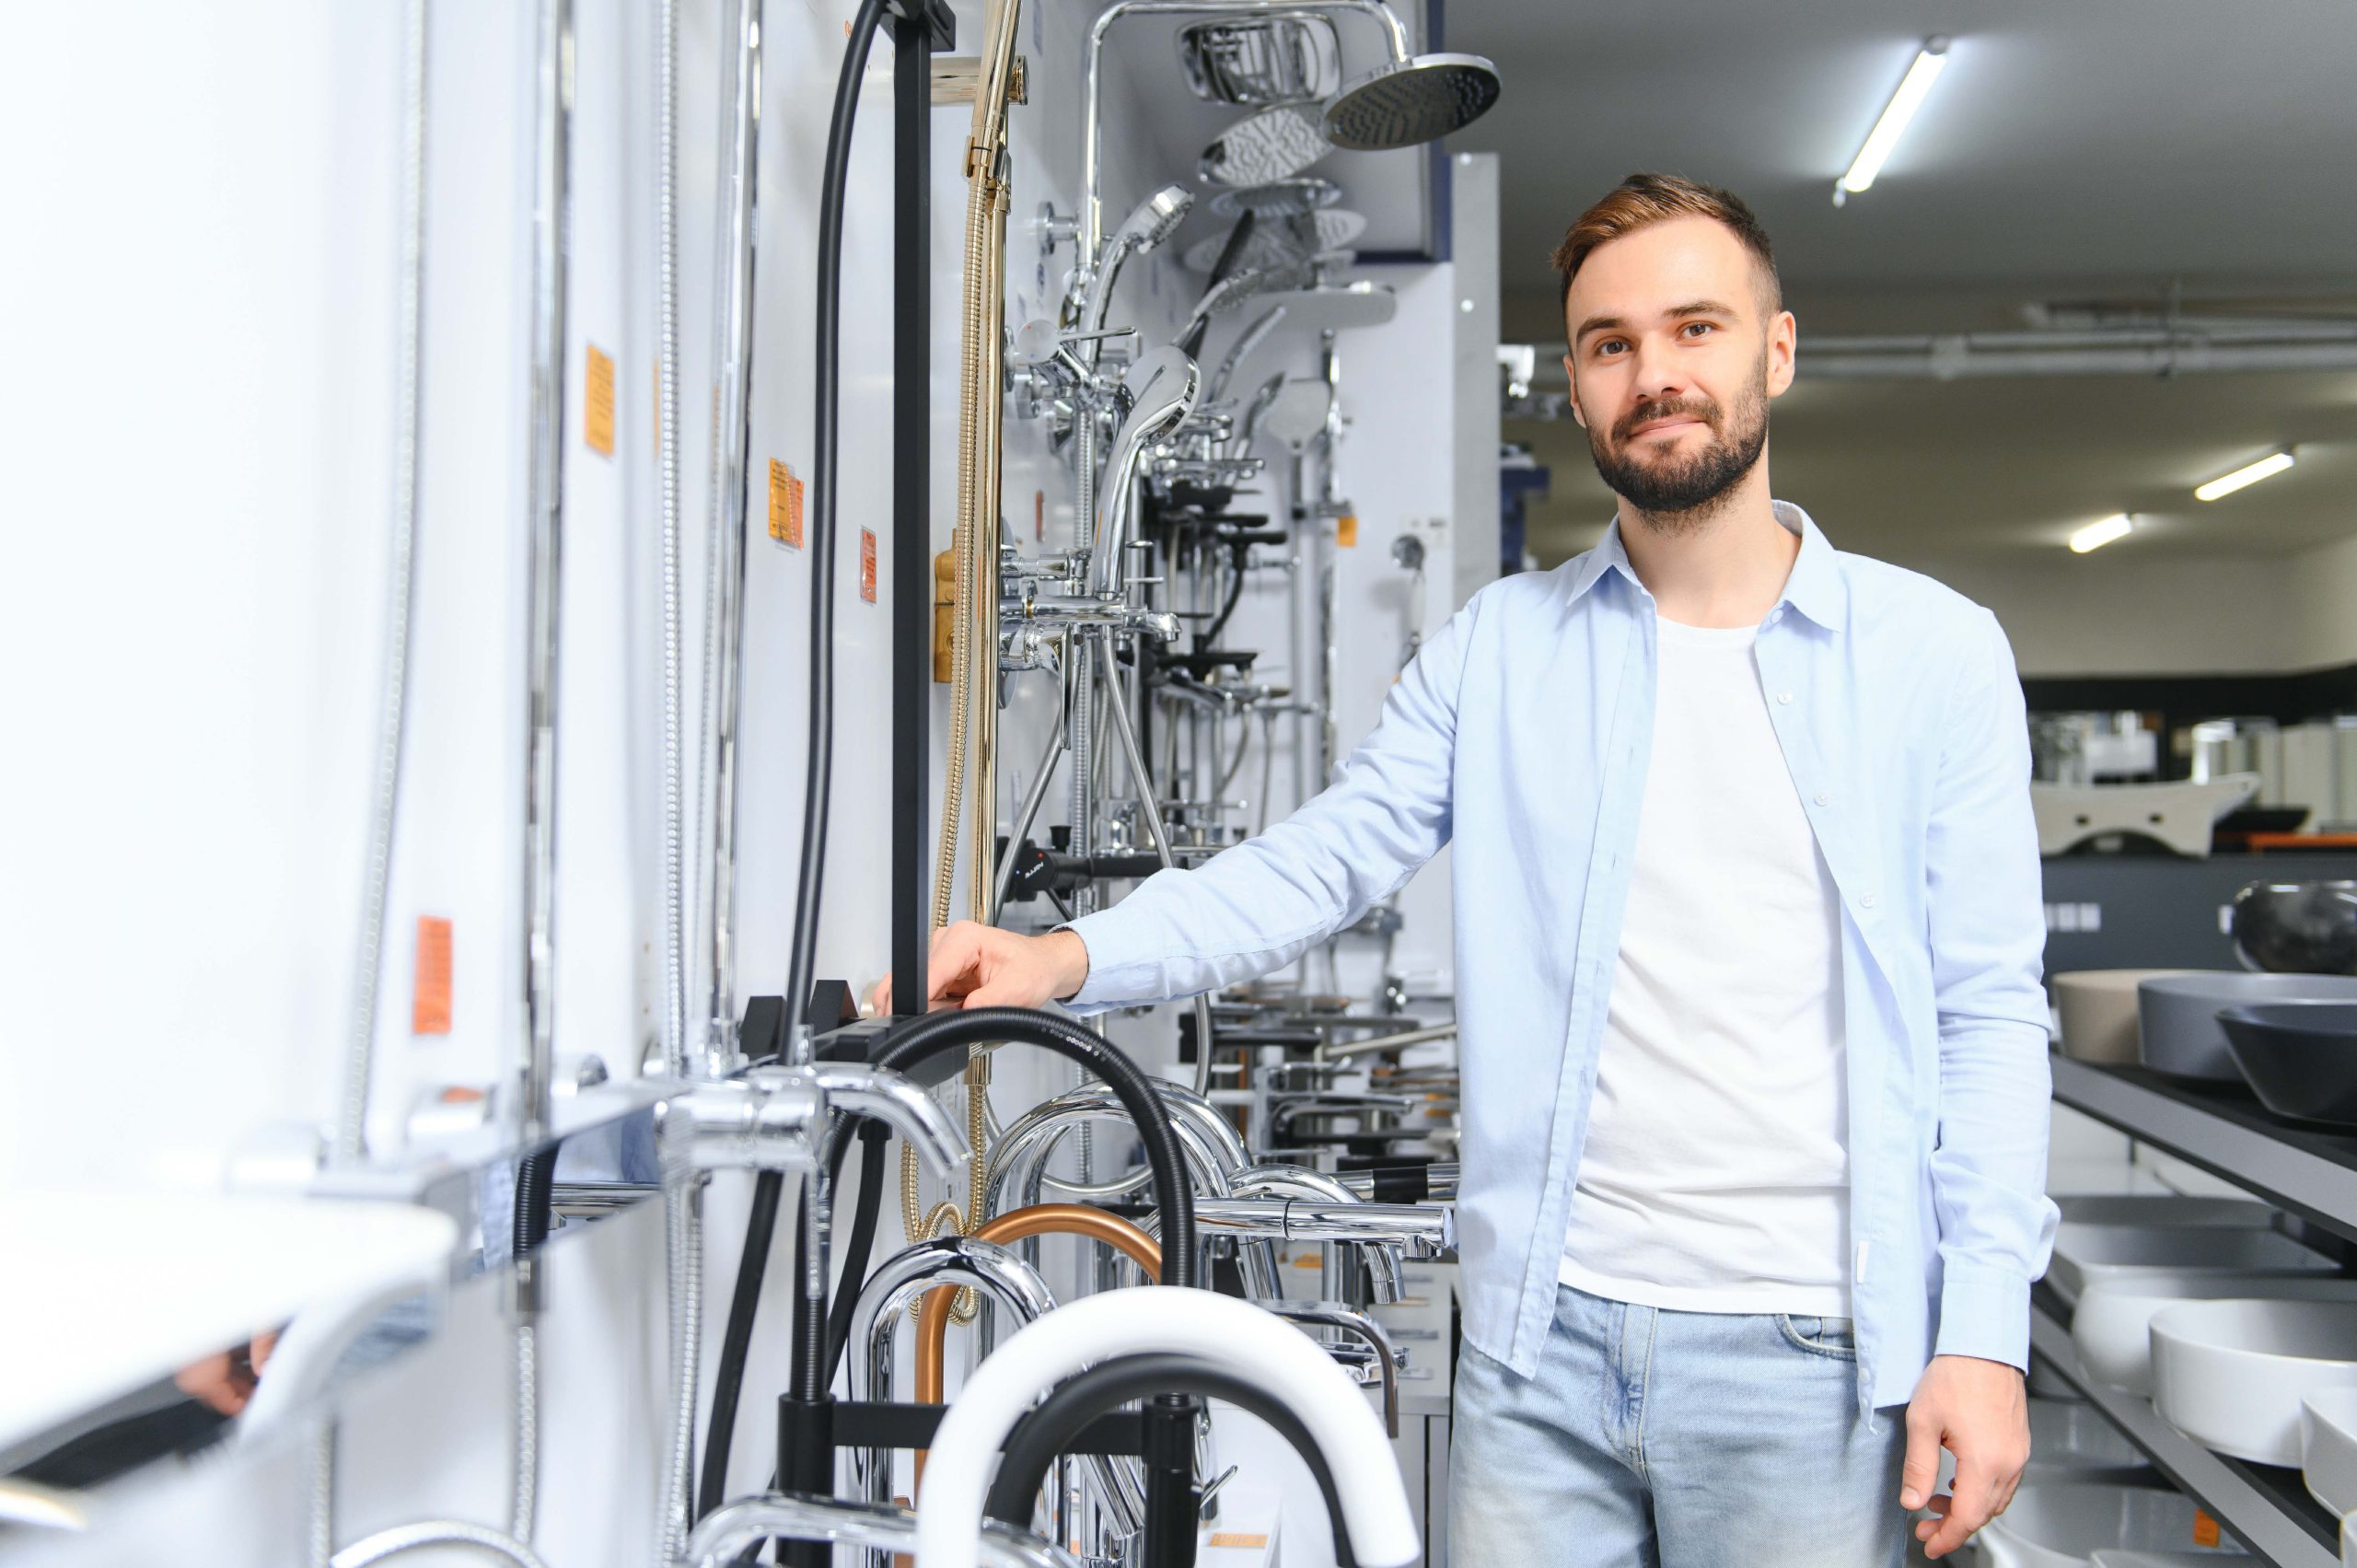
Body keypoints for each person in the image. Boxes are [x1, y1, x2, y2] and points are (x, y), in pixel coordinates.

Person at [882, 172, 2054, 1566]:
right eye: (1613, 344)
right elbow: (1320, 861)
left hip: (1809, 1363)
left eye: (1696, 329)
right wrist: (1064, 958)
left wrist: (1984, 1336)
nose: (1656, 373)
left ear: (1775, 352)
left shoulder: (1934, 657)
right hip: (1537, 1354)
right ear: (1576, 382)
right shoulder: (1501, 648)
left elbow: (1990, 1013)